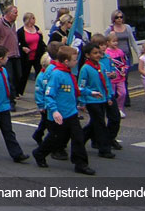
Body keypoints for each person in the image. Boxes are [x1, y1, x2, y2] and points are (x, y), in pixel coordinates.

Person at [32, 46, 101, 175]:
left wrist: (90, 92)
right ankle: (39, 153)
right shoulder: (57, 74)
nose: (76, 62)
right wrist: (54, 111)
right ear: (66, 61)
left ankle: (80, 164)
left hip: (71, 113)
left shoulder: (68, 73)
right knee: (54, 139)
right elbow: (49, 95)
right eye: (74, 60)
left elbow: (75, 90)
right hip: (59, 115)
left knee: (78, 138)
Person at [0, 45, 30, 164]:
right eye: (7, 57)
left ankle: (17, 154)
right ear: (1, 58)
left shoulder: (3, 70)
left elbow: (7, 86)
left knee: (8, 132)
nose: (8, 59)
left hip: (4, 106)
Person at [78, 42, 113, 158]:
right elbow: (81, 87)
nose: (98, 55)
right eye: (95, 53)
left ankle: (79, 141)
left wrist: (109, 96)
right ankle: (104, 149)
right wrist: (82, 102)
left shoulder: (101, 66)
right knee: (100, 124)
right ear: (87, 55)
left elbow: (106, 83)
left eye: (99, 52)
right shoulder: (85, 69)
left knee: (94, 123)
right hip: (91, 100)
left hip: (102, 99)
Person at [90, 34, 122, 152]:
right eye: (99, 45)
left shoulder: (107, 58)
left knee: (115, 117)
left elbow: (113, 71)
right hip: (97, 94)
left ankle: (109, 138)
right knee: (97, 121)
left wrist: (112, 74)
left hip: (109, 92)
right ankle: (96, 140)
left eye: (103, 45)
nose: (102, 48)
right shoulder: (90, 63)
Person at [104, 10, 141, 108]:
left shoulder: (127, 27)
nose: (119, 19)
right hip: (114, 58)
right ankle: (115, 97)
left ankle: (125, 99)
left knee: (124, 77)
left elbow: (132, 41)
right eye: (117, 17)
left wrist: (139, 54)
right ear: (113, 19)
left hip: (126, 56)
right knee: (116, 79)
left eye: (121, 17)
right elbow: (105, 41)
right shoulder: (110, 29)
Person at [0, 5, 20, 111]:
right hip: (5, 56)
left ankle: (13, 96)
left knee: (18, 76)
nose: (17, 14)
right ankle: (11, 101)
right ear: (9, 13)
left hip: (15, 54)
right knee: (9, 78)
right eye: (15, 12)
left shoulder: (13, 24)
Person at [16, 12, 47, 97]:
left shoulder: (36, 28)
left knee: (39, 73)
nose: (34, 20)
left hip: (37, 55)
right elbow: (17, 43)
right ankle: (18, 92)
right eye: (33, 18)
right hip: (27, 56)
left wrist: (41, 35)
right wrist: (22, 48)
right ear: (28, 20)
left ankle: (41, 91)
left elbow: (40, 41)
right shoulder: (21, 31)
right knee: (24, 74)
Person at [105, 32, 128, 118]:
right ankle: (112, 110)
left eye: (116, 41)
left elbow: (124, 62)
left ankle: (120, 108)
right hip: (111, 78)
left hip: (120, 77)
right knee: (112, 95)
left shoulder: (120, 52)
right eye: (113, 41)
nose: (115, 43)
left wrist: (124, 70)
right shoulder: (106, 53)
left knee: (123, 93)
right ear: (108, 42)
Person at [32, 52, 51, 146]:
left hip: (49, 103)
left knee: (45, 122)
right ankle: (38, 135)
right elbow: (39, 92)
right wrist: (41, 105)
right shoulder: (41, 77)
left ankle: (38, 134)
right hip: (44, 104)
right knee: (46, 122)